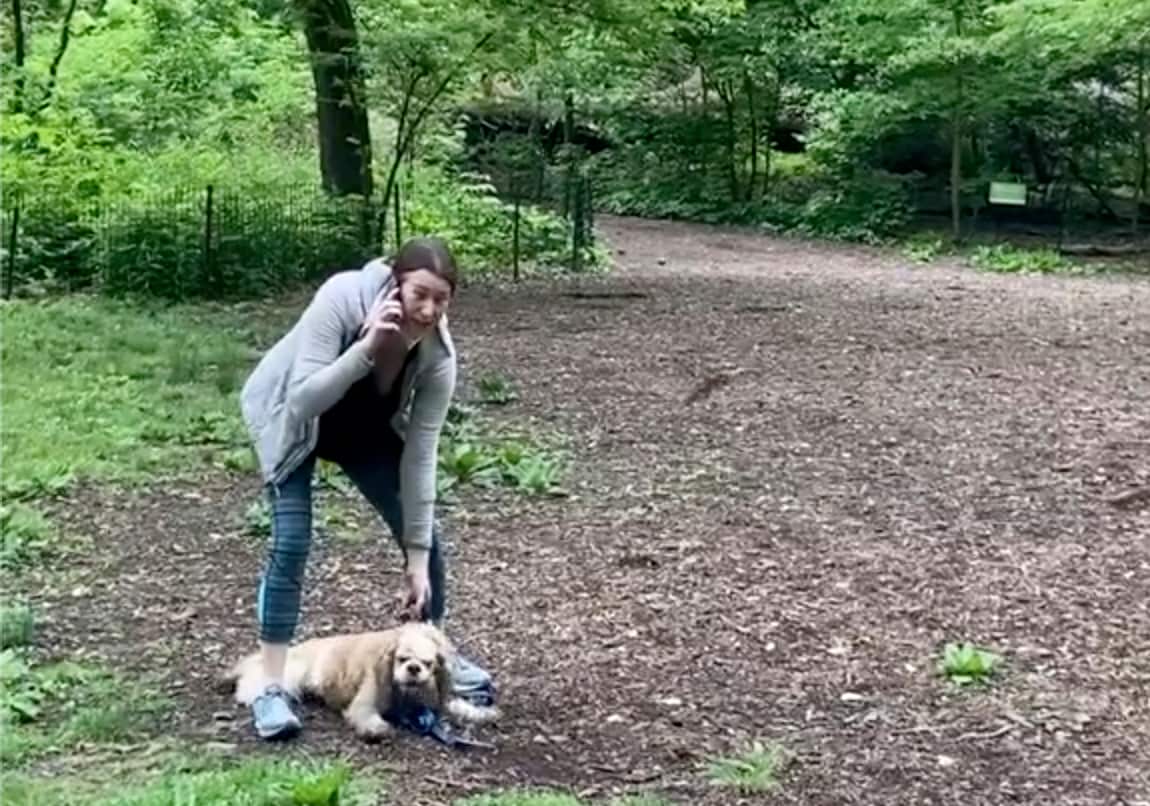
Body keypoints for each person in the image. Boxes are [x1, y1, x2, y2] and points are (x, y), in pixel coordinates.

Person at [238, 236, 490, 740]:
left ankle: (431, 660)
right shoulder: (343, 297)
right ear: (396, 285)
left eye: (442, 299)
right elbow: (303, 401)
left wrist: (415, 557)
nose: (429, 309)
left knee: (427, 543)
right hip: (292, 422)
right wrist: (366, 348)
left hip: (360, 431)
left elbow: (421, 456)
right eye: (419, 294)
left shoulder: (438, 356)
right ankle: (270, 685)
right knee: (292, 540)